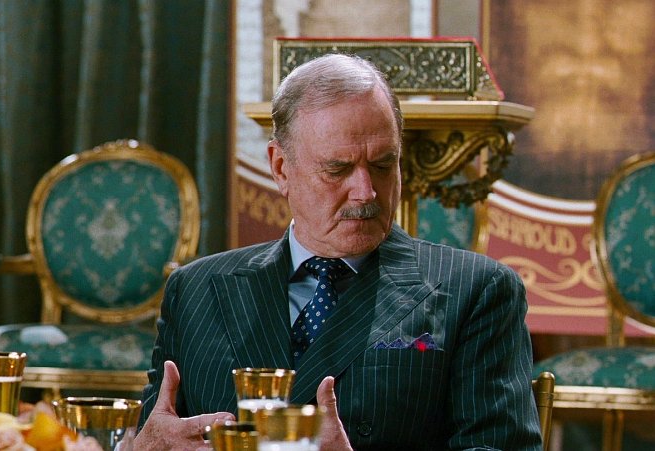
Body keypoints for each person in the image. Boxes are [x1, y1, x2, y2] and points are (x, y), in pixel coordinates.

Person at [133, 53, 542, 450]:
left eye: (383, 165)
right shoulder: (195, 290)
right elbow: (158, 435)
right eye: (337, 169)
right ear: (281, 168)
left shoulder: (477, 291)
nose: (366, 192)